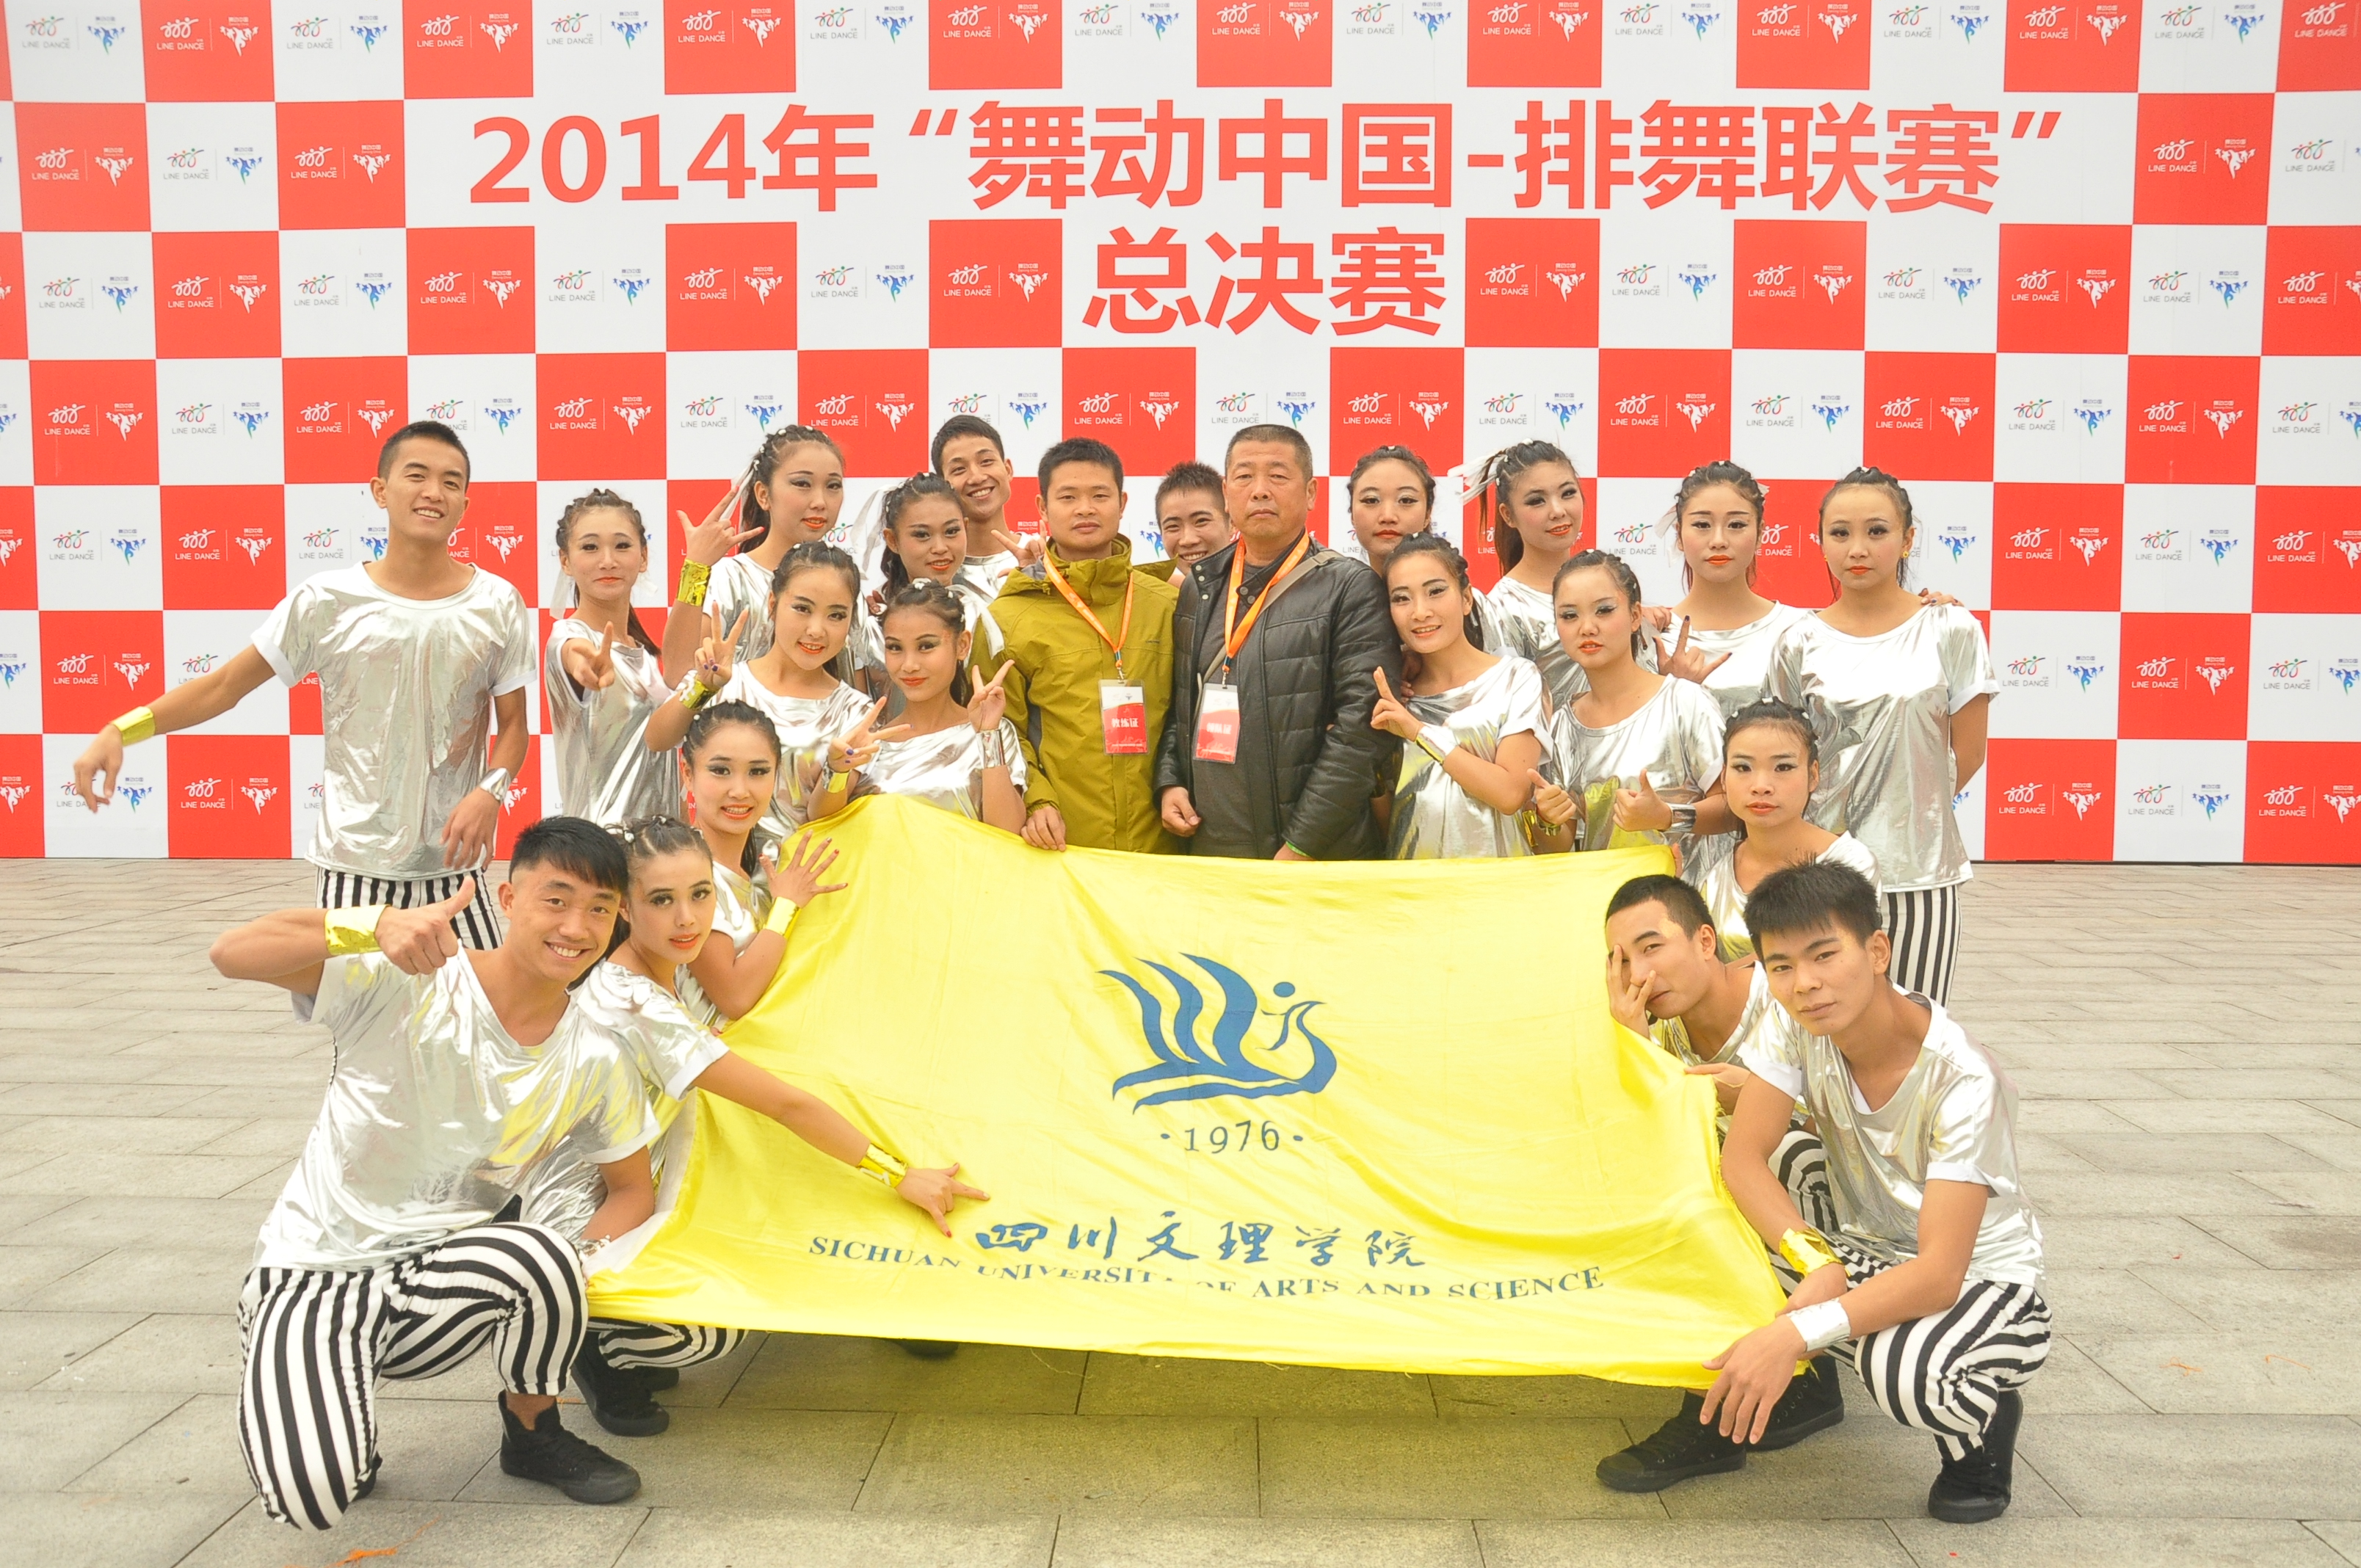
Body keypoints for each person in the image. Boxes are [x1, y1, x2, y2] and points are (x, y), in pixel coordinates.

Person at [208, 818, 659, 1529]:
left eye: (599, 909)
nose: (576, 927)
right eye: (556, 899)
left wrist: (577, 1274)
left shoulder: (597, 1055)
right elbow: (232, 953)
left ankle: (533, 1433)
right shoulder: (408, 976)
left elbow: (632, 1189)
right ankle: (303, 1369)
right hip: (316, 1269)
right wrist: (371, 924)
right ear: (507, 899)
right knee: (314, 1497)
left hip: (440, 1276)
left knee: (545, 1253)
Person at [567, 815, 988, 1434]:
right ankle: (587, 1339)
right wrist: (899, 1174)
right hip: (585, 1209)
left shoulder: (650, 974)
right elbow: (786, 1105)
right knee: (710, 1332)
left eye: (700, 894)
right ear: (625, 907)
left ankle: (612, 1330)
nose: (687, 918)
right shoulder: (638, 1002)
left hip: (627, 1179)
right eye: (661, 900)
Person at [72, 420, 529, 947]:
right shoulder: (324, 600)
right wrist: (121, 729)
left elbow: (514, 726)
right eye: (417, 475)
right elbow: (224, 686)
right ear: (380, 490)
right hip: (352, 871)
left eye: (451, 482)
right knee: (351, 1004)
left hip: (453, 868)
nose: (433, 492)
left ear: (465, 504)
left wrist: (490, 793)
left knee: (476, 1002)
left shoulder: (498, 602)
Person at [1702, 860, 2047, 1523]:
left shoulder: (1965, 1081)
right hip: (1861, 1246)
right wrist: (1816, 1262)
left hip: (1979, 1276)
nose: (1805, 983)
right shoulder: (1795, 1019)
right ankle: (1816, 1381)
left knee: (1905, 1372)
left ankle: (1982, 1430)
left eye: (1825, 955)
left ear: (1878, 951)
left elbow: (1939, 1275)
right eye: (1781, 966)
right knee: (1721, 1223)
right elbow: (1742, 1159)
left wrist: (1797, 1331)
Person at [1591, 872, 1845, 1492]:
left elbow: (1864, 1124)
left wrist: (1761, 1102)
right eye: (1622, 960)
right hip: (1762, 1209)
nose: (1640, 974)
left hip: (1844, 1206)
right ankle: (1802, 1382)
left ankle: (1715, 1412)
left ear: (1705, 941)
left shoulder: (1785, 995)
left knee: (1776, 1153)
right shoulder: (1658, 1028)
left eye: (1653, 947)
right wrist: (1638, 1047)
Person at [1766, 469, 1995, 1004]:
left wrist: (1915, 812)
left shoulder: (1951, 628)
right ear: (1820, 542)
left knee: (1917, 1026)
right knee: (1821, 1024)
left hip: (1920, 875)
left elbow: (1968, 752)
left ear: (1908, 538)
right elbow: (1783, 760)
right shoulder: (1797, 642)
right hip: (1819, 872)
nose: (1858, 549)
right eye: (1840, 533)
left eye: (1877, 531)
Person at [1158, 425, 1400, 861]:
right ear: (1226, 493)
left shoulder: (1350, 587)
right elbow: (1180, 703)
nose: (1260, 490)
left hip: (1311, 854)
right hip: (1211, 846)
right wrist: (1170, 780)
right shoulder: (1201, 586)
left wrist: (1303, 843)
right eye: (1245, 477)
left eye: (1278, 476)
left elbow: (1362, 731)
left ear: (1310, 493)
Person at [643, 542, 899, 854]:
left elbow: (825, 820)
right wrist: (702, 687)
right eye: (802, 609)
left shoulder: (856, 712)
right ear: (773, 603)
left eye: (836, 615)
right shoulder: (725, 681)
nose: (816, 630)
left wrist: (837, 769)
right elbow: (657, 739)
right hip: (716, 873)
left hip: (804, 878)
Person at [991, 438, 1180, 854]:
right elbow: (1002, 729)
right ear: (1042, 508)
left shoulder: (1167, 605)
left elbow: (1187, 717)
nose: (1085, 509)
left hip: (1165, 845)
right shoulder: (1010, 616)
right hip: (1063, 848)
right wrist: (1037, 799)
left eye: (1100, 495)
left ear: (1123, 503)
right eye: (1068, 497)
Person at [1531, 551, 1728, 867]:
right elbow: (1558, 845)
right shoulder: (1560, 726)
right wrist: (1547, 819)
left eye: (1604, 610)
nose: (1587, 627)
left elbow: (1732, 810)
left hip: (1684, 893)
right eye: (1569, 615)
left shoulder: (1685, 701)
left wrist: (1666, 816)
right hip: (1601, 894)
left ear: (1636, 616)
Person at [1366, 535, 1544, 859]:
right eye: (1402, 598)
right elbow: (1393, 818)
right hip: (1412, 881)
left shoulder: (1516, 677)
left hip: (1498, 881)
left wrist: (1418, 732)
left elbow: (1509, 795)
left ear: (1466, 598)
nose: (1420, 612)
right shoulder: (1394, 694)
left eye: (1435, 591)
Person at [666, 427, 870, 681]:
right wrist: (695, 568)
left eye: (833, 486)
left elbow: (858, 684)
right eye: (802, 484)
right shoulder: (730, 578)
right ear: (763, 494)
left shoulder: (844, 581)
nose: (820, 501)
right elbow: (678, 675)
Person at [1688, 699, 1880, 959]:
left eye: (1783, 767)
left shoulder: (1850, 864)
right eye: (1743, 768)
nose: (1761, 786)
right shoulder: (1713, 882)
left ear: (1813, 775)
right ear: (1723, 777)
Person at [546, 489, 683, 827]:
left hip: (663, 846)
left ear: (643, 557)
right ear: (565, 561)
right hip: (600, 846)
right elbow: (574, 654)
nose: (607, 560)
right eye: (590, 547)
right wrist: (585, 668)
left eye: (622, 546)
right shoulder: (567, 636)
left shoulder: (644, 655)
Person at [865, 583, 1027, 832]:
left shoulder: (993, 732)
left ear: (962, 645)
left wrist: (988, 735)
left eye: (926, 646)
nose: (909, 665)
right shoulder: (870, 744)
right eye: (895, 647)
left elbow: (1008, 830)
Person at [1655, 462, 1814, 716]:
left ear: (1760, 533)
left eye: (1737, 525)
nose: (1719, 541)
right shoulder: (1653, 638)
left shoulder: (1801, 630)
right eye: (1702, 525)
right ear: (1679, 535)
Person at [1477, 441, 1593, 712]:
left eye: (1567, 493)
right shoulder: (1502, 609)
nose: (1558, 511)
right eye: (1537, 501)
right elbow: (1506, 714)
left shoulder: (1608, 584)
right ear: (1508, 515)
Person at [877, 472, 1004, 690]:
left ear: (965, 527)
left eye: (951, 531)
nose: (940, 548)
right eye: (922, 535)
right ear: (892, 540)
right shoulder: (874, 621)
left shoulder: (990, 613)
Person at [933, 413, 1024, 598]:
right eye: (959, 469)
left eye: (986, 462)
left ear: (1008, 469)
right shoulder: (934, 569)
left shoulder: (1047, 555)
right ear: (943, 485)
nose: (976, 477)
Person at [1150, 461, 1233, 584]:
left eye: (1201, 521)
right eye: (1173, 526)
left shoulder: (1260, 588)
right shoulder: (1159, 593)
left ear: (1232, 523)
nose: (1188, 540)